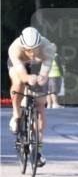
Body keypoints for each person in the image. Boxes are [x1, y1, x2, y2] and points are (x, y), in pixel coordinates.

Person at [7, 26, 57, 166]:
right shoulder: (15, 48)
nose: (31, 52)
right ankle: (16, 115)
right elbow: (22, 75)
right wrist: (28, 79)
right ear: (23, 46)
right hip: (19, 66)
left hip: (38, 66)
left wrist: (41, 79)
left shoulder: (48, 48)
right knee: (18, 83)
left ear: (39, 44)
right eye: (28, 50)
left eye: (34, 48)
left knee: (40, 107)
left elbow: (45, 74)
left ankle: (37, 151)